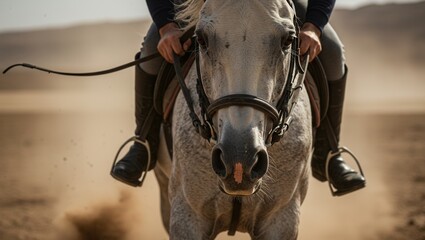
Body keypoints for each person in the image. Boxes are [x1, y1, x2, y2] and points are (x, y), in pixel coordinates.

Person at [111, 0, 365, 196]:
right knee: (151, 46)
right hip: (204, 3)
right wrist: (166, 27)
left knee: (332, 51)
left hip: (276, 5)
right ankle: (144, 142)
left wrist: (314, 26)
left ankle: (329, 153)